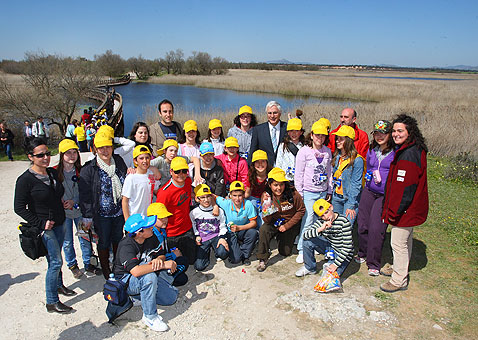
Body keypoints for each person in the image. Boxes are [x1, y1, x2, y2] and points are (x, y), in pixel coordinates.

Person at [14, 137, 76, 313]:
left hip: (60, 222)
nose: (46, 158)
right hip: (44, 228)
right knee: (55, 261)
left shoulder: (52, 173)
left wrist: (66, 201)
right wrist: (40, 223)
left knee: (54, 258)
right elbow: (19, 207)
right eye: (40, 155)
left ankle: (59, 285)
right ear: (30, 157)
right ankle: (51, 301)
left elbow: (57, 193)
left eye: (47, 153)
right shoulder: (25, 180)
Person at [380, 114, 428, 293]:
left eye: (400, 131)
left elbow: (405, 188)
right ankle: (400, 268)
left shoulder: (409, 155)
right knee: (406, 240)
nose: (395, 134)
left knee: (398, 242)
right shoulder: (412, 149)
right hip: (410, 208)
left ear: (410, 132)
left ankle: (398, 280)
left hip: (406, 209)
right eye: (393, 131)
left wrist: (394, 211)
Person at [113, 214, 178, 332]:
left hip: (144, 271)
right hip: (126, 281)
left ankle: (139, 297)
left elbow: (161, 254)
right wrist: (163, 265)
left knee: (171, 297)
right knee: (149, 277)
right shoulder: (126, 246)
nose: (152, 227)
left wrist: (159, 260)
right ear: (139, 233)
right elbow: (136, 271)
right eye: (148, 227)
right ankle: (150, 316)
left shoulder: (150, 237)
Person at [79, 133, 127, 278]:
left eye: (108, 147)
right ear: (95, 149)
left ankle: (118, 267)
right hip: (101, 215)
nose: (105, 151)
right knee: (104, 241)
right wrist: (87, 216)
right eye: (101, 148)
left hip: (119, 212)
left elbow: (126, 180)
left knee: (118, 240)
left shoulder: (118, 161)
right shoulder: (89, 169)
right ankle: (106, 269)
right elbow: (85, 195)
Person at [56, 139, 101, 279]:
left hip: (80, 212)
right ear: (61, 154)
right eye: (68, 153)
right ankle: (72, 264)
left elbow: (86, 191)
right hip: (64, 214)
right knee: (67, 241)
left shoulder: (82, 171)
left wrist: (74, 201)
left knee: (84, 237)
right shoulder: (54, 173)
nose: (72, 155)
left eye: (74, 152)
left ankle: (88, 263)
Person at [356, 120, 395, 276]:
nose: (379, 136)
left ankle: (374, 263)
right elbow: (369, 168)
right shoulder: (372, 150)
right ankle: (363, 252)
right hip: (369, 190)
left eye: (383, 133)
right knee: (362, 224)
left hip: (384, 194)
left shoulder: (395, 152)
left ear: (389, 134)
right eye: (376, 133)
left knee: (376, 228)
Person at [294, 121, 333, 264]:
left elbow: (329, 172)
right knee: (308, 218)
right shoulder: (304, 151)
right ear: (311, 135)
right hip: (308, 192)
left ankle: (314, 243)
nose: (320, 138)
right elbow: (298, 174)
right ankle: (301, 248)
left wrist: (329, 189)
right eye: (317, 135)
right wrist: (300, 193)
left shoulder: (327, 151)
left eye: (323, 136)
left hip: (322, 192)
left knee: (319, 220)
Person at [256, 168, 305, 272]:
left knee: (285, 252)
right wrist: (267, 207)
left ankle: (281, 237)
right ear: (270, 185)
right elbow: (266, 220)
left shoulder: (293, 194)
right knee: (264, 229)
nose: (279, 188)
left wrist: (287, 226)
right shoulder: (266, 196)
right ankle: (262, 258)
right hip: (274, 222)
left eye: (281, 184)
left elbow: (301, 210)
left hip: (289, 223)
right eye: (275, 185)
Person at [295, 199, 353, 277]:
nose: (326, 217)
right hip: (330, 248)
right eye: (322, 215)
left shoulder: (343, 222)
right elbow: (305, 235)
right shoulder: (321, 221)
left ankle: (331, 262)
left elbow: (347, 247)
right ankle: (310, 268)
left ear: (331, 207)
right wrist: (321, 229)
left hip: (342, 253)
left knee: (329, 277)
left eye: (326, 212)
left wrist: (335, 265)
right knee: (307, 241)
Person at [156, 157, 197, 265]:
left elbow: (189, 194)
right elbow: (158, 215)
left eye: (184, 171)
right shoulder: (164, 192)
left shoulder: (188, 181)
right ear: (171, 171)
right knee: (179, 263)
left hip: (186, 228)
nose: (181, 174)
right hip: (171, 233)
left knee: (192, 260)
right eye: (177, 171)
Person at [146, 203, 189, 287]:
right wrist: (173, 255)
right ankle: (165, 280)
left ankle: (170, 276)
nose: (165, 220)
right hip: (158, 265)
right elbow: (153, 258)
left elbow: (164, 249)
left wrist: (172, 252)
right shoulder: (151, 235)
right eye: (161, 218)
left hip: (165, 259)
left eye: (165, 217)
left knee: (184, 260)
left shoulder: (162, 230)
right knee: (183, 276)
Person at [215, 181, 258, 265]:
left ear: (244, 195)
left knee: (253, 232)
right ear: (230, 195)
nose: (237, 199)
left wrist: (239, 228)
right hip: (230, 232)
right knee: (235, 259)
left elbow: (254, 223)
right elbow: (213, 196)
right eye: (234, 195)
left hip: (242, 229)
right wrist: (215, 206)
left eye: (240, 195)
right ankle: (237, 249)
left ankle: (245, 255)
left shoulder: (248, 204)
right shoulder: (226, 203)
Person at [330, 125, 365, 227]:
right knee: (335, 227)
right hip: (336, 197)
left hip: (349, 199)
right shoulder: (337, 157)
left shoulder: (357, 160)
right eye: (337, 138)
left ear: (349, 141)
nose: (338, 141)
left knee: (345, 228)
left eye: (341, 139)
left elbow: (356, 184)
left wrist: (351, 205)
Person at [191, 184, 229, 271]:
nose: (206, 200)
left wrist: (222, 237)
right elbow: (193, 225)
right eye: (203, 197)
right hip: (203, 238)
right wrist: (197, 235)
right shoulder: (194, 213)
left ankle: (216, 252)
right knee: (199, 266)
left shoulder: (219, 211)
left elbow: (223, 225)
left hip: (215, 236)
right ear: (197, 199)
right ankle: (206, 253)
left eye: (208, 196)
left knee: (223, 253)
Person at [122, 145, 160, 220]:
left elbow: (157, 191)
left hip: (148, 218)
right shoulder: (131, 178)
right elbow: (125, 201)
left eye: (147, 158)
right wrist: (127, 220)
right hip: (135, 218)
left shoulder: (151, 174)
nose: (145, 161)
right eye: (141, 158)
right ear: (135, 161)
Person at [248, 101, 287, 165]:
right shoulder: (258, 130)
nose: (272, 116)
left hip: (283, 167)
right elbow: (253, 151)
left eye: (275, 113)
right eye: (269, 113)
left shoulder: (287, 128)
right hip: (264, 168)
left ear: (280, 113)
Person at [245, 150, 272, 228]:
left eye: (263, 161)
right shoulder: (251, 174)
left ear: (267, 162)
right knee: (251, 207)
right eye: (257, 162)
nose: (260, 164)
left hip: (266, 198)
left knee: (266, 210)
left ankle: (264, 228)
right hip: (254, 198)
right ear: (253, 164)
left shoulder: (270, 174)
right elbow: (248, 193)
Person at [275, 118, 305, 184]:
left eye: (296, 131)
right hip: (286, 180)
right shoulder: (282, 146)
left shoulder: (305, 147)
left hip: (301, 181)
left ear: (301, 132)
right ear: (288, 132)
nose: (294, 133)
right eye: (291, 131)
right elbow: (278, 164)